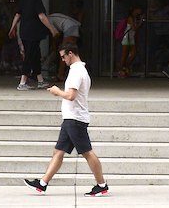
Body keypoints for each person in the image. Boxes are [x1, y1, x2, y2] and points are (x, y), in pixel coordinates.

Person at [23, 42, 108, 197]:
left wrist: (57, 91)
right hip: (71, 118)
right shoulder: (80, 70)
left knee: (87, 152)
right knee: (58, 151)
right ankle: (42, 184)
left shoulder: (77, 71)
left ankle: (101, 185)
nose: (62, 60)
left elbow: (70, 96)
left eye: (63, 57)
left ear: (71, 54)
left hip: (75, 119)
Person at [8, 0, 59, 90]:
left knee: (35, 55)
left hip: (24, 32)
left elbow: (17, 15)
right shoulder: (36, 0)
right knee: (29, 55)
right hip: (33, 33)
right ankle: (22, 83)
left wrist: (12, 28)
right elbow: (41, 16)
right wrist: (52, 29)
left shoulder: (23, 0)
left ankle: (40, 80)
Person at [46, 11, 81, 81]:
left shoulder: (47, 21)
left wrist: (54, 47)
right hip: (72, 26)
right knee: (70, 52)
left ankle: (60, 75)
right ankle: (62, 74)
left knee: (65, 52)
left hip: (70, 27)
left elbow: (55, 34)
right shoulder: (51, 17)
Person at [117, 6, 143, 78]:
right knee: (124, 55)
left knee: (133, 53)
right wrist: (140, 23)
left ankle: (125, 67)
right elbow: (134, 28)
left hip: (131, 38)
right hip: (127, 38)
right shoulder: (130, 18)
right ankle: (121, 69)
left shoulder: (134, 18)